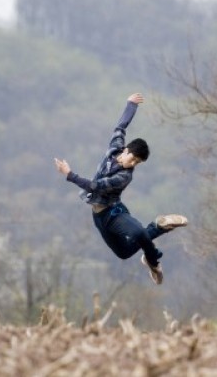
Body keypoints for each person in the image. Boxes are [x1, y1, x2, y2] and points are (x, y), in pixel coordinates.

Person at [54, 93, 187, 284]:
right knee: (124, 253)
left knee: (139, 233)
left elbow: (96, 186)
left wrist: (70, 174)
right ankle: (158, 227)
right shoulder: (114, 149)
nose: (132, 163)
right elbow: (120, 127)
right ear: (125, 151)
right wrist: (131, 105)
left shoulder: (124, 176)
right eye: (132, 158)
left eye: (137, 162)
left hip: (114, 212)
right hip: (98, 217)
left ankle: (153, 260)